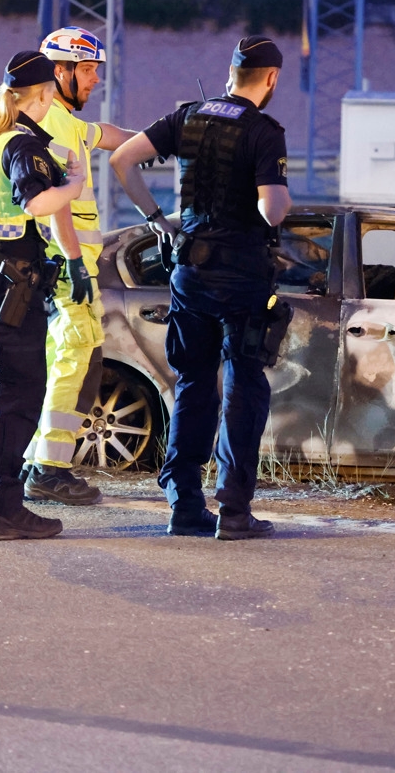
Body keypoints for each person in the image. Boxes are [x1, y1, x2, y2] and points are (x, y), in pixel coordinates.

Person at [108, 35, 291, 541]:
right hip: (242, 277)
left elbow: (122, 159)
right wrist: (279, 203)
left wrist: (157, 219)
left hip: (189, 271)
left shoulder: (186, 117)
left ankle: (184, 505)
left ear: (230, 73)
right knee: (244, 386)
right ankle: (234, 510)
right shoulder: (263, 131)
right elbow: (272, 210)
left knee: (192, 383)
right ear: (271, 78)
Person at [0, 51, 87, 541]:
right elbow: (38, 202)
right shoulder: (21, 143)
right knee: (21, 397)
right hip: (9, 283)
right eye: (50, 95)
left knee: (3, 392)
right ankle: (5, 509)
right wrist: (74, 184)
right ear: (45, 94)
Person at [17, 26, 138, 506]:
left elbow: (108, 135)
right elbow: (57, 204)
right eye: (87, 70)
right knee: (73, 361)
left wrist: (162, 139)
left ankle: (39, 462)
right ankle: (48, 469)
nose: (95, 79)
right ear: (59, 72)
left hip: (73, 269)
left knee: (72, 362)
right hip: (68, 271)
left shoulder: (67, 121)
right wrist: (74, 265)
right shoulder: (52, 123)